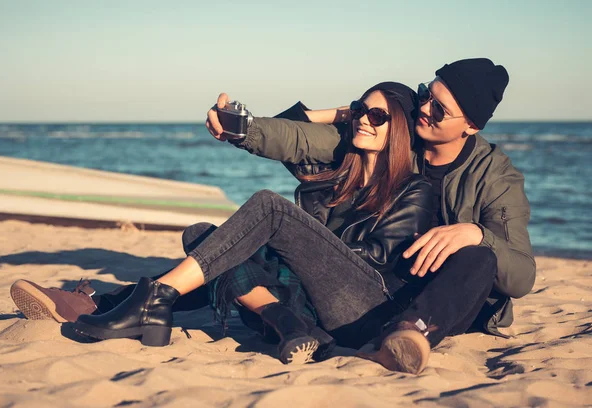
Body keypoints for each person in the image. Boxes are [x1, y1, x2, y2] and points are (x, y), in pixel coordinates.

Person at [12, 82, 436, 373]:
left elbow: (378, 262)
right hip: (305, 302)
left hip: (360, 306)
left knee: (267, 207)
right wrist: (341, 112)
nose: (364, 119)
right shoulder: (328, 177)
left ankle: (128, 300)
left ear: (398, 127)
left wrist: (293, 249)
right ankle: (285, 324)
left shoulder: (415, 189)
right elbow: (290, 127)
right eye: (361, 110)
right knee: (204, 234)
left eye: (378, 115)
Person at [207, 58, 536, 370]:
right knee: (209, 235)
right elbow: (298, 138)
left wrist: (475, 233)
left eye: (439, 109)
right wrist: (243, 130)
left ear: (471, 125)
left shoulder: (495, 177)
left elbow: (521, 275)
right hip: (378, 286)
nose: (423, 109)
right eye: (426, 95)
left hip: (446, 301)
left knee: (479, 258)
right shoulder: (399, 136)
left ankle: (409, 335)